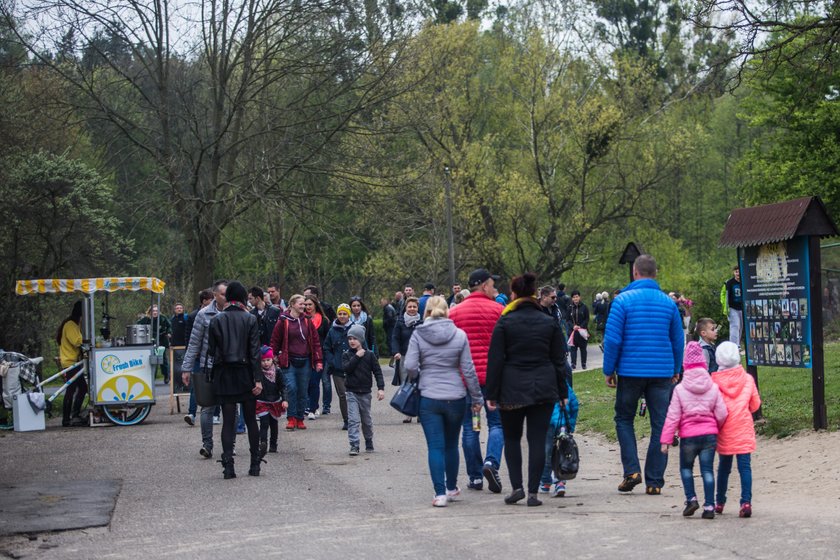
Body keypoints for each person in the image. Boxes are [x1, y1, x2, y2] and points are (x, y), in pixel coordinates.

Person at [602, 254, 684, 495]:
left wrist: (610, 369)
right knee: (661, 424)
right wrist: (676, 369)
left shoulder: (622, 301)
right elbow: (677, 341)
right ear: (655, 274)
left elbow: (613, 339)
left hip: (630, 370)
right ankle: (654, 480)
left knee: (624, 418)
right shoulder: (669, 304)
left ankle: (631, 470)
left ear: (635, 273)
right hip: (661, 372)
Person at [485, 273, 569, 507]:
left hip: (511, 389)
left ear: (514, 294)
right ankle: (533, 492)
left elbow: (496, 360)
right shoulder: (548, 322)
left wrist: (491, 393)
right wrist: (563, 391)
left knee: (512, 438)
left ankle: (517, 488)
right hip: (543, 387)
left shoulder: (505, 322)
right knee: (537, 439)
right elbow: (558, 360)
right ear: (534, 294)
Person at [404, 296, 483, 507]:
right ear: (447, 311)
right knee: (451, 444)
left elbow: (410, 365)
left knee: (435, 447)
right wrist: (476, 397)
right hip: (456, 396)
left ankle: (439, 494)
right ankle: (451, 487)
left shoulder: (418, 334)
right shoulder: (459, 335)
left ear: (426, 312)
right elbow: (468, 369)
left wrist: (420, 374)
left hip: (429, 396)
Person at [449, 268, 505, 493]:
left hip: (466, 381)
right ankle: (491, 462)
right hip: (493, 380)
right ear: (483, 285)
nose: (495, 289)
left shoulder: (455, 313)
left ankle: (475, 477)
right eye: (492, 285)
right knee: (497, 423)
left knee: (471, 427)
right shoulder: (498, 311)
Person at [660, 342, 728, 519]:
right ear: (704, 365)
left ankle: (691, 499)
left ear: (685, 365)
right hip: (709, 436)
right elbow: (721, 412)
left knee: (686, 468)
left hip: (689, 437)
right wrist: (716, 428)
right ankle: (710, 506)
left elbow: (673, 416)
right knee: (707, 470)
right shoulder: (713, 387)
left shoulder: (680, 389)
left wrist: (666, 440)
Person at [207, 281, 263, 478]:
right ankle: (255, 463)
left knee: (228, 422)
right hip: (245, 373)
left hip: (224, 374)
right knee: (250, 420)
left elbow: (211, 352)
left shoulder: (216, 320)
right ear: (241, 298)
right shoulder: (250, 319)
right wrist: (258, 379)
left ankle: (228, 465)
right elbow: (255, 352)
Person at [712, 341, 761, 518]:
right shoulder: (748, 379)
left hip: (724, 430)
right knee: (745, 468)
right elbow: (755, 405)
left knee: (724, 468)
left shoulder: (714, 381)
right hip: (743, 428)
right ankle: (746, 502)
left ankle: (719, 501)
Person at [182, 280, 228, 458]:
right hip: (208, 367)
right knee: (207, 407)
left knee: (231, 407)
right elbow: (194, 343)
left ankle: (228, 445)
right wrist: (186, 368)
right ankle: (207, 444)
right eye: (223, 294)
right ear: (215, 295)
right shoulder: (203, 315)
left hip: (231, 368)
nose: (226, 297)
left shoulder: (237, 312)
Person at [270, 294, 323, 431]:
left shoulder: (307, 321)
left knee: (303, 390)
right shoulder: (283, 321)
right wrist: (273, 356)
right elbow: (275, 340)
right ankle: (291, 417)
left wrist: (318, 360)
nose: (304, 306)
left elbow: (316, 342)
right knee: (291, 388)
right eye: (301, 304)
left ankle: (300, 418)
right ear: (292, 304)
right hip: (289, 361)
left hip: (305, 360)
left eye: (305, 304)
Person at [342, 324, 385, 456]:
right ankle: (354, 444)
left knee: (366, 420)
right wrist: (357, 356)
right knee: (353, 420)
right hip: (351, 392)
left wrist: (381, 388)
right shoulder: (347, 355)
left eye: (355, 338)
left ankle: (368, 439)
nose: (352, 341)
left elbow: (377, 372)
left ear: (361, 339)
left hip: (365, 393)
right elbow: (346, 369)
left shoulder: (370, 355)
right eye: (349, 339)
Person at [539, 382, 579, 498]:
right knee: (555, 452)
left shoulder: (551, 385)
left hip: (555, 425)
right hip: (555, 425)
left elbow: (574, 405)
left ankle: (553, 481)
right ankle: (552, 480)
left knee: (553, 452)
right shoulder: (562, 386)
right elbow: (574, 406)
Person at [184, 288, 214, 426]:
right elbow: (191, 339)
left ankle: (216, 414)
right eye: (210, 299)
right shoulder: (194, 316)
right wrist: (188, 363)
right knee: (196, 386)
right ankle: (191, 412)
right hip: (198, 358)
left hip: (211, 357)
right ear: (204, 301)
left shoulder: (219, 313)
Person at [390, 296, 423, 423]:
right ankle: (408, 412)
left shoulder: (422, 322)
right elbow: (395, 338)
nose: (412, 309)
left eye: (414, 306)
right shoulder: (400, 322)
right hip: (404, 356)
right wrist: (396, 352)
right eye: (410, 306)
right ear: (406, 307)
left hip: (419, 357)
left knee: (420, 384)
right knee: (407, 384)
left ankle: (420, 412)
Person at [323, 303, 353, 430]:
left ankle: (355, 417)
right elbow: (326, 348)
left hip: (353, 367)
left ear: (348, 315)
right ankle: (346, 419)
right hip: (338, 368)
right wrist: (332, 361)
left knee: (353, 394)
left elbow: (363, 345)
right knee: (343, 395)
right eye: (340, 313)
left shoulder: (355, 328)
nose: (342, 316)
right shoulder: (332, 330)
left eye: (344, 314)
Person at [57, 301, 86, 427]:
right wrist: (87, 340)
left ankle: (74, 415)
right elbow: (77, 341)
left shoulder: (74, 324)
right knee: (71, 389)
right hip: (70, 362)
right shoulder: (70, 324)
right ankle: (67, 418)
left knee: (82, 388)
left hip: (74, 361)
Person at [255, 345, 287, 458]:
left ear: (272, 359)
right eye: (263, 361)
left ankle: (273, 444)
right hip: (262, 401)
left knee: (274, 424)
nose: (266, 363)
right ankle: (263, 443)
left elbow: (283, 386)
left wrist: (284, 399)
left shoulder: (277, 372)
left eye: (268, 360)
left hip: (275, 401)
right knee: (264, 423)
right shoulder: (258, 373)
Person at [304, 294, 331, 418]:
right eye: (306, 305)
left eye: (310, 304)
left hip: (319, 356)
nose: (308, 307)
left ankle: (312, 408)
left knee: (315, 381)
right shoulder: (302, 319)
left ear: (315, 305)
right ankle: (308, 405)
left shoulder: (324, 320)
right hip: (304, 355)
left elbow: (327, 338)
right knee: (306, 382)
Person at [138, 304, 172, 383]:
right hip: (151, 340)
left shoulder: (163, 318)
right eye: (153, 311)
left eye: (156, 311)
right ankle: (152, 376)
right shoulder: (146, 319)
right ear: (150, 312)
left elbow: (169, 326)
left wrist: (169, 333)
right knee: (152, 359)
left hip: (162, 340)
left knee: (163, 358)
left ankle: (166, 375)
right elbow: (138, 324)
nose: (155, 312)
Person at [721, 266, 743, 348]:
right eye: (736, 272)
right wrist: (725, 305)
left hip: (742, 308)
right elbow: (723, 294)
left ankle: (738, 344)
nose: (738, 273)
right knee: (735, 325)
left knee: (740, 327)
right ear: (734, 273)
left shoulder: (744, 281)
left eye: (739, 271)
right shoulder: (729, 283)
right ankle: (734, 345)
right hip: (732, 308)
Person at [568, 290, 589, 372]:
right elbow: (567, 319)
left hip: (582, 331)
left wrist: (580, 326)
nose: (575, 298)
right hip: (573, 332)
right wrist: (573, 326)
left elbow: (587, 319)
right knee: (573, 348)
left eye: (577, 296)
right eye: (574, 297)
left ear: (579, 297)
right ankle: (573, 364)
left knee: (583, 348)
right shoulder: (570, 307)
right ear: (572, 298)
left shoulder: (584, 307)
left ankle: (584, 363)